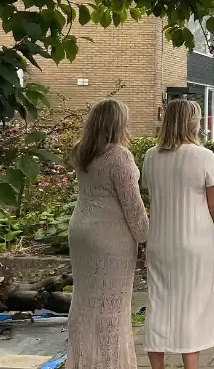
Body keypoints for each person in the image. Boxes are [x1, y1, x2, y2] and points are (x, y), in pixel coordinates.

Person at [66, 99, 148, 369]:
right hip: (110, 238)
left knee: (85, 300)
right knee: (113, 307)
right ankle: (110, 363)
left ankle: (83, 361)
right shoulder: (119, 156)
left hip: (81, 231)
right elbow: (133, 207)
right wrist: (145, 236)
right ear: (116, 124)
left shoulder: (82, 151)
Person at [142, 99, 214, 369]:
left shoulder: (151, 156)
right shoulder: (203, 156)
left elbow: (150, 193)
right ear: (193, 123)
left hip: (160, 239)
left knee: (158, 302)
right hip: (195, 240)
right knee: (194, 305)